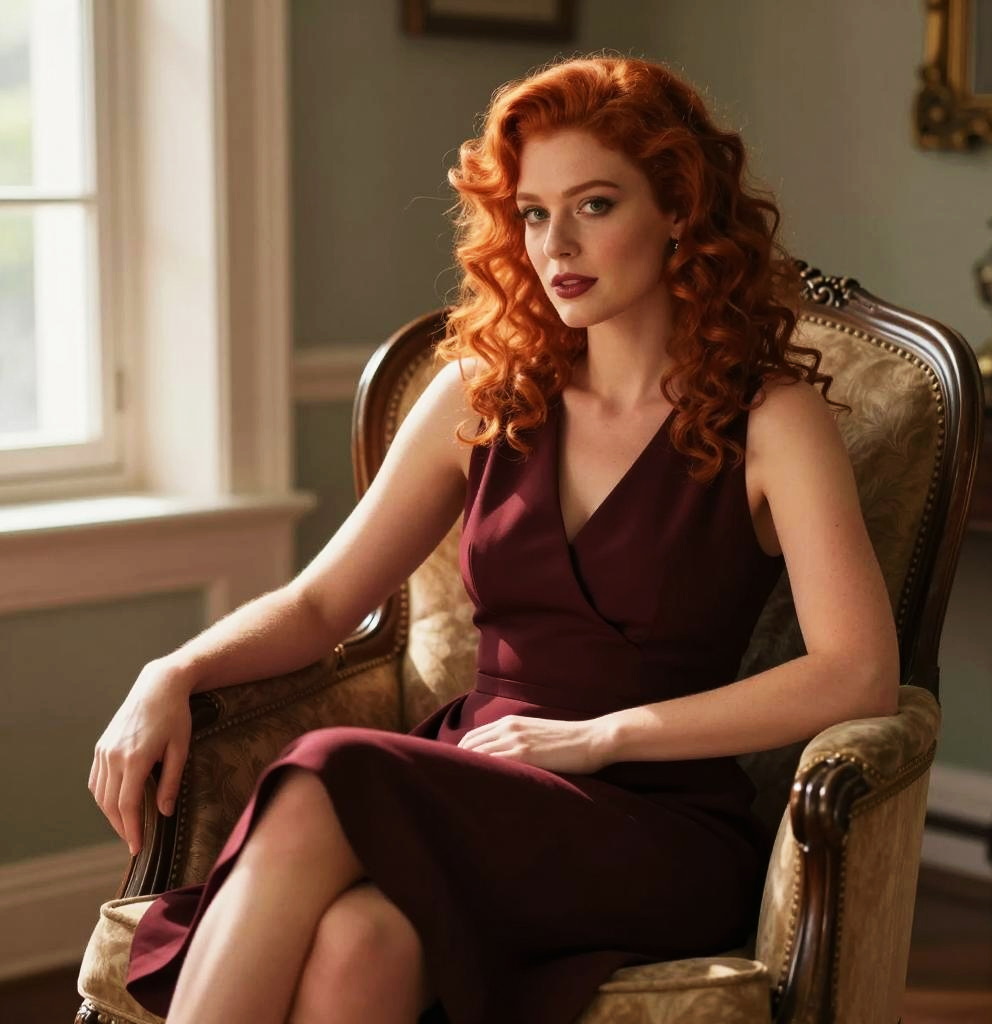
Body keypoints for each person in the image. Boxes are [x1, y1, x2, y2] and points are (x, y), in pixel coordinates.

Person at [89, 55, 899, 1024]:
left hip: (657, 825)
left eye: (594, 205)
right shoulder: (483, 391)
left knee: (328, 770)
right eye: (532, 212)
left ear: (678, 205)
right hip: (475, 776)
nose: (556, 244)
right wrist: (168, 672)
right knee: (361, 940)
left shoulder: (770, 418)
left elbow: (857, 674)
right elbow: (318, 604)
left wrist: (600, 737)